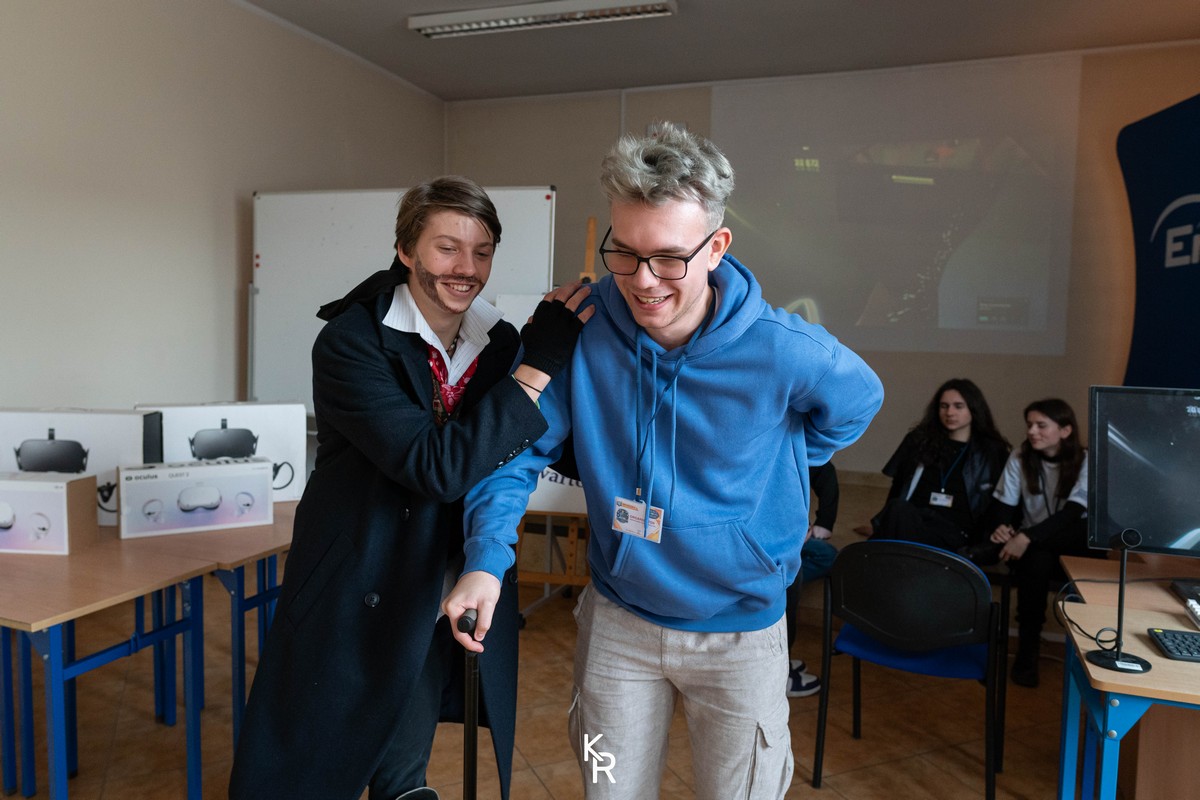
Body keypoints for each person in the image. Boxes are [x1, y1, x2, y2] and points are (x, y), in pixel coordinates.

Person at [445, 122, 883, 799]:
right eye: (624, 253)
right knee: (608, 789)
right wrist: (485, 560)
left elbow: (859, 402)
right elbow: (515, 450)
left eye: (670, 258)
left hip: (741, 633)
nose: (644, 282)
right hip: (619, 622)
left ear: (717, 247)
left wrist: (780, 466)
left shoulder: (785, 348)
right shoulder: (579, 329)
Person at [229, 176, 593, 800]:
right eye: (447, 248)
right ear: (405, 249)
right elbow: (436, 467)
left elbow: (514, 451)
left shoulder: (498, 342)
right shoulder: (351, 342)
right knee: (309, 770)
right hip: (354, 584)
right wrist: (538, 368)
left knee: (403, 772)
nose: (466, 268)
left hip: (434, 585)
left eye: (482, 251)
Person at [978, 398, 1094, 688]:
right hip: (1035, 550)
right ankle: (1027, 653)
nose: (1032, 431)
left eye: (1041, 425)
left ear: (1065, 430)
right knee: (1037, 557)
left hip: (1073, 545)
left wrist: (1025, 537)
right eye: (1030, 425)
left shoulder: (1086, 460)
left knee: (1041, 547)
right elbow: (1003, 504)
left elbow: (1073, 513)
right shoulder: (1021, 456)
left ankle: (1035, 653)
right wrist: (1002, 528)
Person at [862, 378, 1009, 550]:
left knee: (891, 534)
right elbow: (898, 486)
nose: (950, 413)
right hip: (915, 518)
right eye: (944, 406)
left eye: (958, 406)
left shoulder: (990, 450)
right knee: (897, 509)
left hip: (956, 530)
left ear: (973, 408)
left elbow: (1001, 499)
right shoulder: (920, 440)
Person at [785, 462, 840, 698]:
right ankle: (779, 676)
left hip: (786, 536)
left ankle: (779, 664)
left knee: (823, 556)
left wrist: (820, 523)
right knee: (788, 585)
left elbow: (824, 469)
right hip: (763, 540)